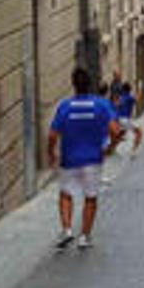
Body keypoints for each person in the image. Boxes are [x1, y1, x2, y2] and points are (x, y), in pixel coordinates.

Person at [49, 68, 121, 250]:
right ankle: (84, 236)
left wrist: (51, 153)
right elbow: (115, 130)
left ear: (73, 84)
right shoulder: (101, 105)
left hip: (69, 159)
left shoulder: (64, 106)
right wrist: (110, 148)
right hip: (93, 159)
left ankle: (66, 230)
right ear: (90, 84)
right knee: (90, 197)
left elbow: (52, 135)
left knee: (66, 194)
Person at [116, 83, 143, 156]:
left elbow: (117, 105)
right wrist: (140, 88)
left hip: (119, 119)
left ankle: (111, 149)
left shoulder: (121, 97)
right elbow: (138, 98)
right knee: (139, 132)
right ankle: (134, 152)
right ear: (129, 90)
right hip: (124, 120)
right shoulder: (129, 97)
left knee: (122, 133)